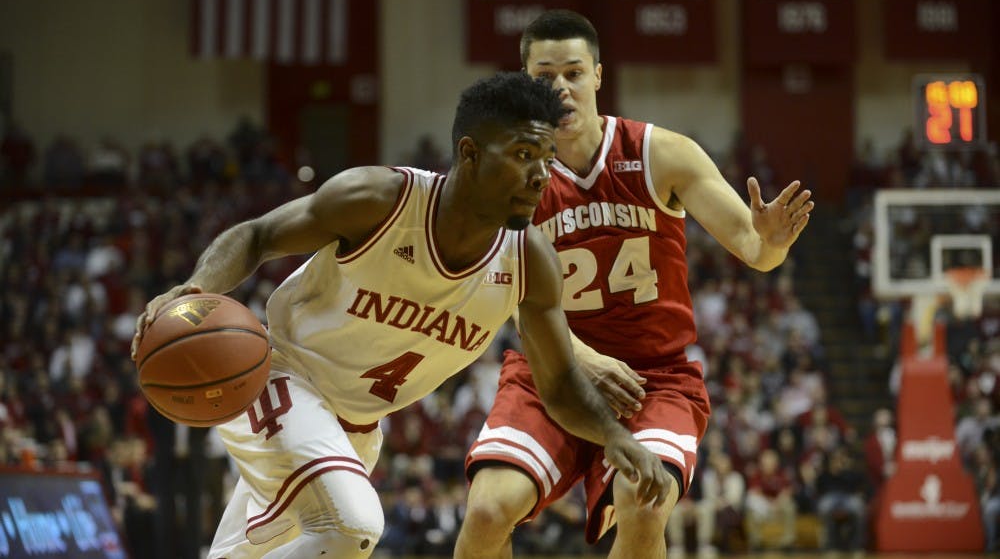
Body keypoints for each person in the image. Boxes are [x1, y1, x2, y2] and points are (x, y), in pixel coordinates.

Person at [130, 72, 671, 559]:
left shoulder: (531, 261)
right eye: (525, 154)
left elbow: (557, 385)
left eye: (547, 159)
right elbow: (256, 236)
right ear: (471, 152)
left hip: (359, 430)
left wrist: (616, 439)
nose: (539, 175)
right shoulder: (379, 199)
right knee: (353, 528)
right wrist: (194, 289)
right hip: (282, 380)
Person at [456, 10, 813, 559]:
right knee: (485, 513)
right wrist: (574, 359)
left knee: (644, 500)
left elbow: (753, 248)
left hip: (654, 378)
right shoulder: (509, 174)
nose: (562, 89)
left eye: (574, 73)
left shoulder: (660, 153)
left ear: (598, 75)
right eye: (545, 77)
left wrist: (774, 240)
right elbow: (502, 289)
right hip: (551, 372)